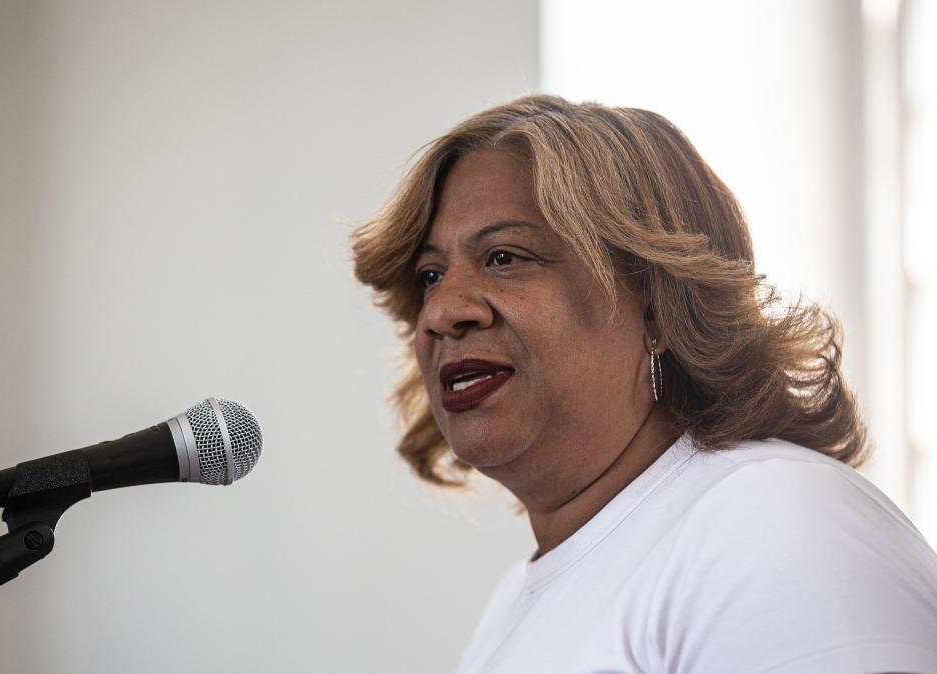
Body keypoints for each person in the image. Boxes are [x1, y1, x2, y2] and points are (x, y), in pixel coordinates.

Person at [351, 95, 937, 673]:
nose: (442, 312)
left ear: (657, 306)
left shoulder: (770, 516)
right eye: (431, 275)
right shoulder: (513, 604)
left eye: (505, 257)